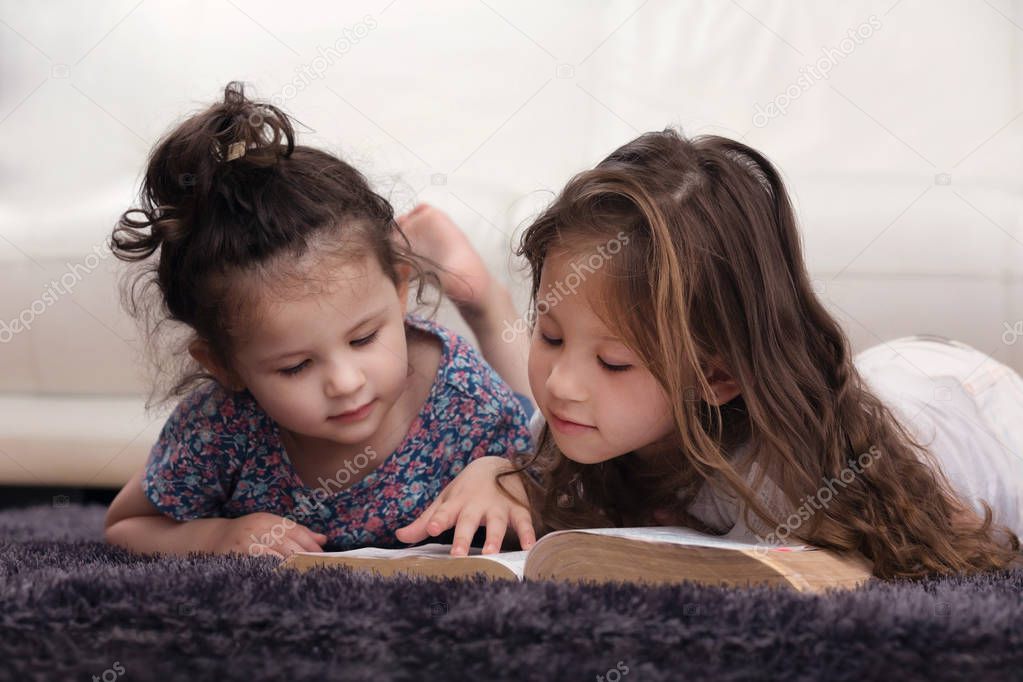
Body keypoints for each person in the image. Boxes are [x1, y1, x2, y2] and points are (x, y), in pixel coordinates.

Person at [397, 129, 1023, 579]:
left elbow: (958, 546)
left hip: (969, 398)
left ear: (716, 376)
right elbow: (532, 455)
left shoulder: (793, 480)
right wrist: (496, 473)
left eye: (614, 363)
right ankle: (491, 303)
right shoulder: (583, 410)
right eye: (549, 336)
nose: (560, 384)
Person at [103, 82, 532, 559]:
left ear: (399, 290)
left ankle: (484, 303)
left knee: (542, 415)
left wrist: (503, 481)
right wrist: (216, 536)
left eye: (365, 338)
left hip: (491, 393)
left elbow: (555, 477)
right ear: (224, 365)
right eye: (296, 366)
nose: (345, 383)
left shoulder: (463, 395)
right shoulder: (219, 428)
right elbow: (126, 523)